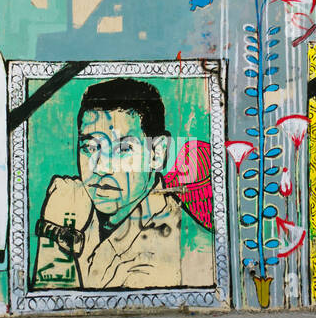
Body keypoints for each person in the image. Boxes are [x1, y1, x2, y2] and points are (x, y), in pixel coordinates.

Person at [33, 77, 212, 290]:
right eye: (90, 147)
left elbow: (60, 311)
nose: (101, 168)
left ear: (157, 153)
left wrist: (56, 229)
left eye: (123, 149)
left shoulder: (181, 246)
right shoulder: (84, 212)